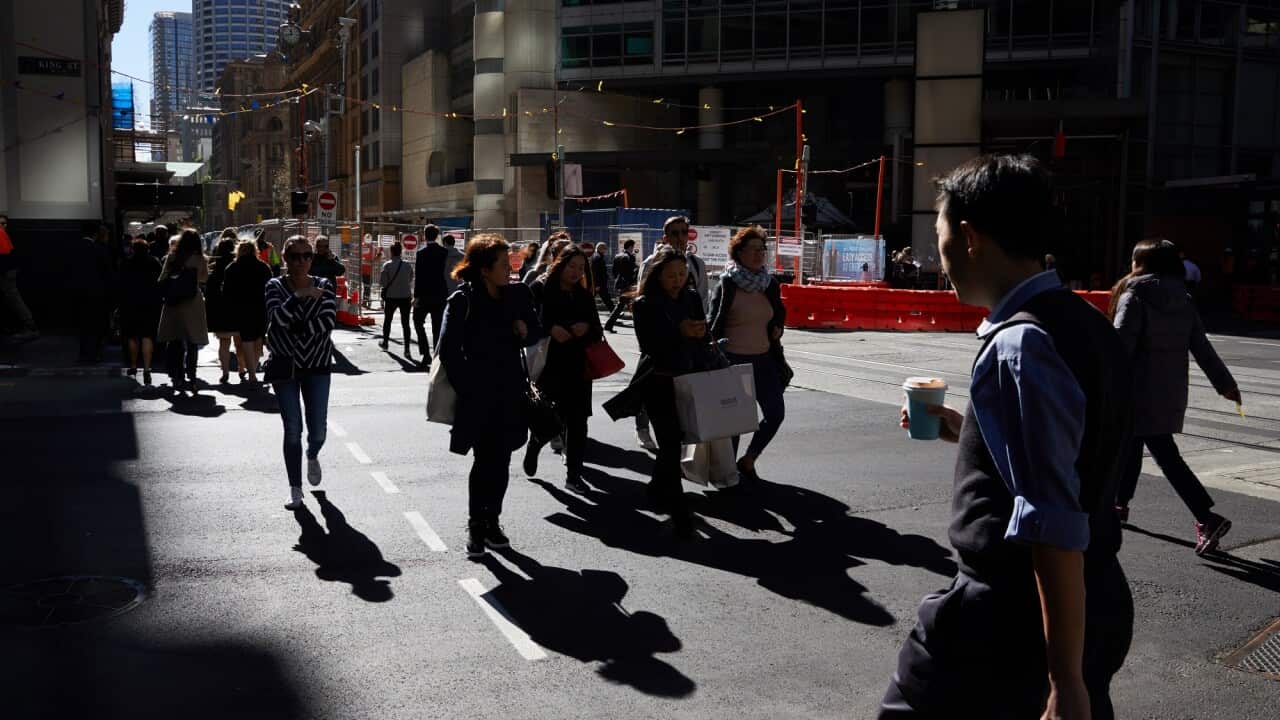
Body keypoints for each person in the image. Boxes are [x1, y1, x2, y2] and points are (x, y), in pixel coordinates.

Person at [879, 155, 1134, 720]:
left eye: (940, 233)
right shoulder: (1086, 323)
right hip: (1091, 597)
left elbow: (1053, 519)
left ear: (969, 237)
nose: (938, 254)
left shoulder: (1021, 345)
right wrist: (970, 431)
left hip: (1007, 617)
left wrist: (1063, 678)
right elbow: (1079, 452)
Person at [1110, 239, 1240, 555]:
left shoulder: (1134, 296)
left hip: (1133, 393)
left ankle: (1206, 517)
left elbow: (1118, 348)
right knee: (1131, 446)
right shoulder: (1184, 299)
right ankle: (1119, 506)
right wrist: (1225, 384)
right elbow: (1202, 348)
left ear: (1140, 264)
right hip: (1168, 393)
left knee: (1165, 457)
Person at [438, 234, 542, 557]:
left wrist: (526, 330)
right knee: (485, 461)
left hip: (511, 391)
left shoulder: (517, 295)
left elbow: (537, 330)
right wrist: (469, 388)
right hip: (479, 395)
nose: (509, 268)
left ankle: (492, 519)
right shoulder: (463, 301)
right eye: (502, 263)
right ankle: (476, 524)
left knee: (502, 460)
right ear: (484, 269)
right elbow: (449, 352)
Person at [632, 247, 716, 538]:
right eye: (671, 275)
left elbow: (705, 334)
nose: (677, 280)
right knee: (669, 441)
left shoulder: (691, 297)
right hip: (658, 380)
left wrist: (700, 332)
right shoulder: (644, 303)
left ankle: (657, 487)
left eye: (682, 274)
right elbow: (648, 345)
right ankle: (680, 512)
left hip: (689, 378)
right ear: (658, 276)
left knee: (678, 440)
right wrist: (680, 332)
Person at [708, 225, 787, 485]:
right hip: (734, 360)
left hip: (765, 360)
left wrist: (778, 327)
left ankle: (749, 459)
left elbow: (779, 312)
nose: (758, 255)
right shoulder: (727, 282)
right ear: (738, 252)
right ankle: (728, 474)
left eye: (761, 249)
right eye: (752, 250)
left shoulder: (769, 283)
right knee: (735, 423)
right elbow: (713, 321)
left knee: (775, 413)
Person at [522, 246, 604, 494]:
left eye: (581, 268)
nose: (576, 272)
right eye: (572, 266)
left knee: (578, 422)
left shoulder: (583, 295)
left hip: (579, 367)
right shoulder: (541, 288)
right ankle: (535, 444)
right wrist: (549, 328)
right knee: (550, 419)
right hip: (550, 364)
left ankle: (574, 475)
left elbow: (597, 330)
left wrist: (585, 328)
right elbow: (525, 323)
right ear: (559, 264)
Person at [266, 236, 338, 510]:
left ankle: (313, 454)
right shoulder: (274, 285)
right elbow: (276, 320)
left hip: (318, 366)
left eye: (307, 255)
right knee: (292, 429)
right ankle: (295, 488)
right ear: (285, 258)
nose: (301, 261)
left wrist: (295, 326)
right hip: (285, 366)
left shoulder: (324, 285)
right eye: (295, 256)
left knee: (318, 430)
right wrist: (299, 296)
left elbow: (328, 322)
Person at [631, 216, 708, 450]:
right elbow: (643, 298)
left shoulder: (696, 264)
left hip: (688, 344)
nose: (679, 238)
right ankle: (642, 427)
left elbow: (702, 298)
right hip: (659, 342)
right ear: (665, 237)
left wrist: (700, 327)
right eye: (674, 233)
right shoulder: (651, 263)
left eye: (684, 232)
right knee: (648, 377)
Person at [156, 229, 210, 391]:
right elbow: (204, 278)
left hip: (174, 302)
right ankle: (192, 375)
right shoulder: (200, 259)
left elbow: (162, 279)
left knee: (175, 340)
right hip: (193, 301)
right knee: (193, 341)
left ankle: (178, 375)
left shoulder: (172, 257)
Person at [223, 240, 273, 384]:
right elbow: (270, 287)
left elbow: (227, 292)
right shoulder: (263, 267)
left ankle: (251, 373)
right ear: (254, 250)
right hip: (260, 307)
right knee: (259, 339)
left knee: (247, 339)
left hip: (241, 309)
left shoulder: (232, 268)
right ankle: (254, 366)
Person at [118, 239, 163, 384]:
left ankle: (133, 365)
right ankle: (147, 368)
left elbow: (120, 284)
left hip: (130, 304)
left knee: (132, 336)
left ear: (133, 249)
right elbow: (160, 282)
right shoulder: (154, 262)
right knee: (147, 336)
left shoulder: (126, 263)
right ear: (147, 249)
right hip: (150, 304)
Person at [71, 228, 115, 363]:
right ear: (95, 235)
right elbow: (108, 273)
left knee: (84, 325)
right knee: (97, 325)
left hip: (80, 292)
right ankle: (95, 354)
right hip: (98, 293)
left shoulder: (75, 250)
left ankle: (83, 354)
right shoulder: (100, 250)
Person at [205, 238, 239, 383]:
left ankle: (225, 372)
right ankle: (243, 369)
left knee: (223, 344)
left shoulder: (214, 269)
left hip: (221, 313)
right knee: (240, 343)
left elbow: (209, 294)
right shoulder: (237, 267)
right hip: (236, 310)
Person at [412, 225, 447, 363]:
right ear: (437, 236)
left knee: (417, 322)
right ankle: (437, 355)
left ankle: (425, 353)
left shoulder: (421, 253)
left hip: (425, 294)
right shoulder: (444, 252)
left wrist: (416, 297)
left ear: (425, 236)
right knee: (437, 326)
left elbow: (418, 276)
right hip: (440, 293)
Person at [0, 214, 38, 342]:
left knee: (13, 298)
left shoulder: (2, 234)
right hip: (7, 270)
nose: (3, 226)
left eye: (4, 223)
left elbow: (5, 256)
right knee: (11, 298)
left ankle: (30, 326)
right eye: (1, 223)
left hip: (6, 271)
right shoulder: (3, 234)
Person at [379, 241, 415, 360]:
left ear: (392, 252)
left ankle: (385, 342)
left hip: (391, 296)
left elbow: (383, 283)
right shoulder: (407, 265)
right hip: (405, 296)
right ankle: (407, 349)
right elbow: (410, 279)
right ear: (401, 252)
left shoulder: (387, 265)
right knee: (406, 324)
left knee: (388, 320)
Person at [603, 238, 639, 333]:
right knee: (623, 305)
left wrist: (617, 279)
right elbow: (631, 272)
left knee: (627, 305)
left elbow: (614, 271)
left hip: (620, 283)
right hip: (627, 284)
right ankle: (608, 325)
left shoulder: (617, 256)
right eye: (633, 247)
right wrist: (632, 283)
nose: (633, 248)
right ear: (630, 246)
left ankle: (609, 325)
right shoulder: (629, 257)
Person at [591, 242, 614, 311]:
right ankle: (614, 313)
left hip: (599, 283)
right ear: (601, 249)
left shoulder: (597, 256)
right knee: (606, 299)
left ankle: (614, 312)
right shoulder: (597, 257)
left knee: (606, 298)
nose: (606, 251)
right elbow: (596, 271)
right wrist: (597, 284)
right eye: (605, 249)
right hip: (600, 283)